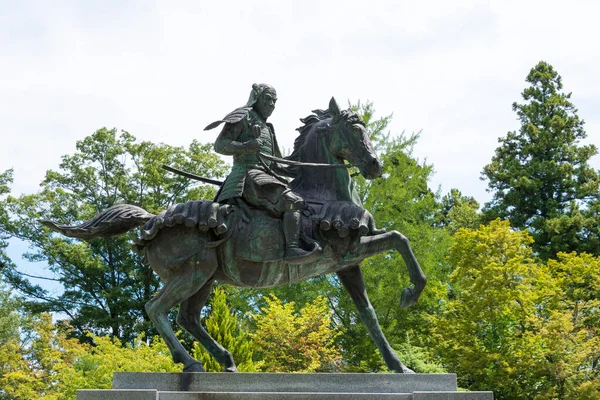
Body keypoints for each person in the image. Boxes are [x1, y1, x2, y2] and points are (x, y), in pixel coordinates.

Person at [205, 83, 320, 263]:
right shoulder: (243, 116)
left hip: (265, 176)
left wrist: (309, 169)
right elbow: (219, 145)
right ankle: (292, 249)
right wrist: (245, 146)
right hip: (246, 175)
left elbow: (276, 164)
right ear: (256, 98)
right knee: (292, 201)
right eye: (268, 99)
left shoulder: (269, 128)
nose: (272, 104)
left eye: (275, 101)